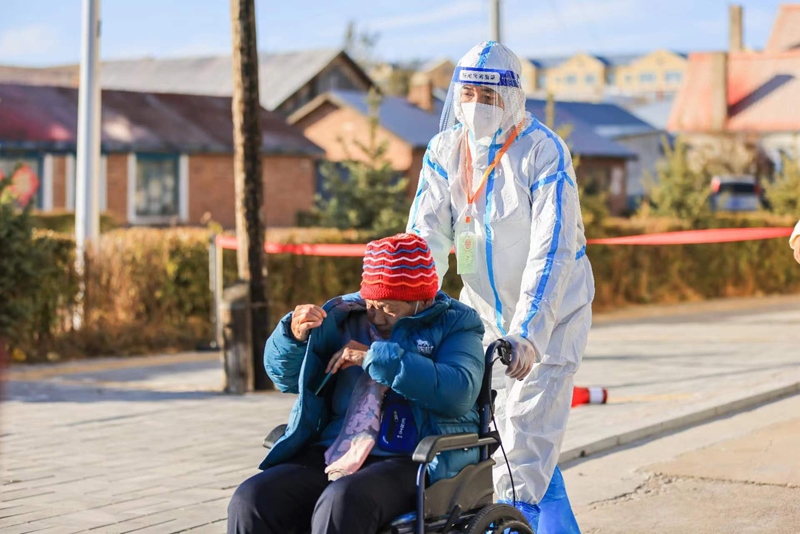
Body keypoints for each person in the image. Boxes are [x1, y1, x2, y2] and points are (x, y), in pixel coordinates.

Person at [407, 40, 594, 531]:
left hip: (551, 320)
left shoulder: (543, 152)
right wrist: (405, 307)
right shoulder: (445, 151)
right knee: (499, 443)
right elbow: (426, 237)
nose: (476, 104)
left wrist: (529, 332)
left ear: (511, 98)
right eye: (468, 93)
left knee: (525, 442)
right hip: (485, 317)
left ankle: (514, 524)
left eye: (489, 95)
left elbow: (551, 252)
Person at [227, 233, 485, 534]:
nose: (376, 316)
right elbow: (285, 379)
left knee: (342, 501)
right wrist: (292, 337)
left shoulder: (457, 324)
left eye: (388, 307)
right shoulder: (344, 316)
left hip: (415, 457)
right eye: (371, 304)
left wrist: (375, 357)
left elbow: (459, 392)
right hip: (337, 447)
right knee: (253, 499)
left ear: (424, 300)